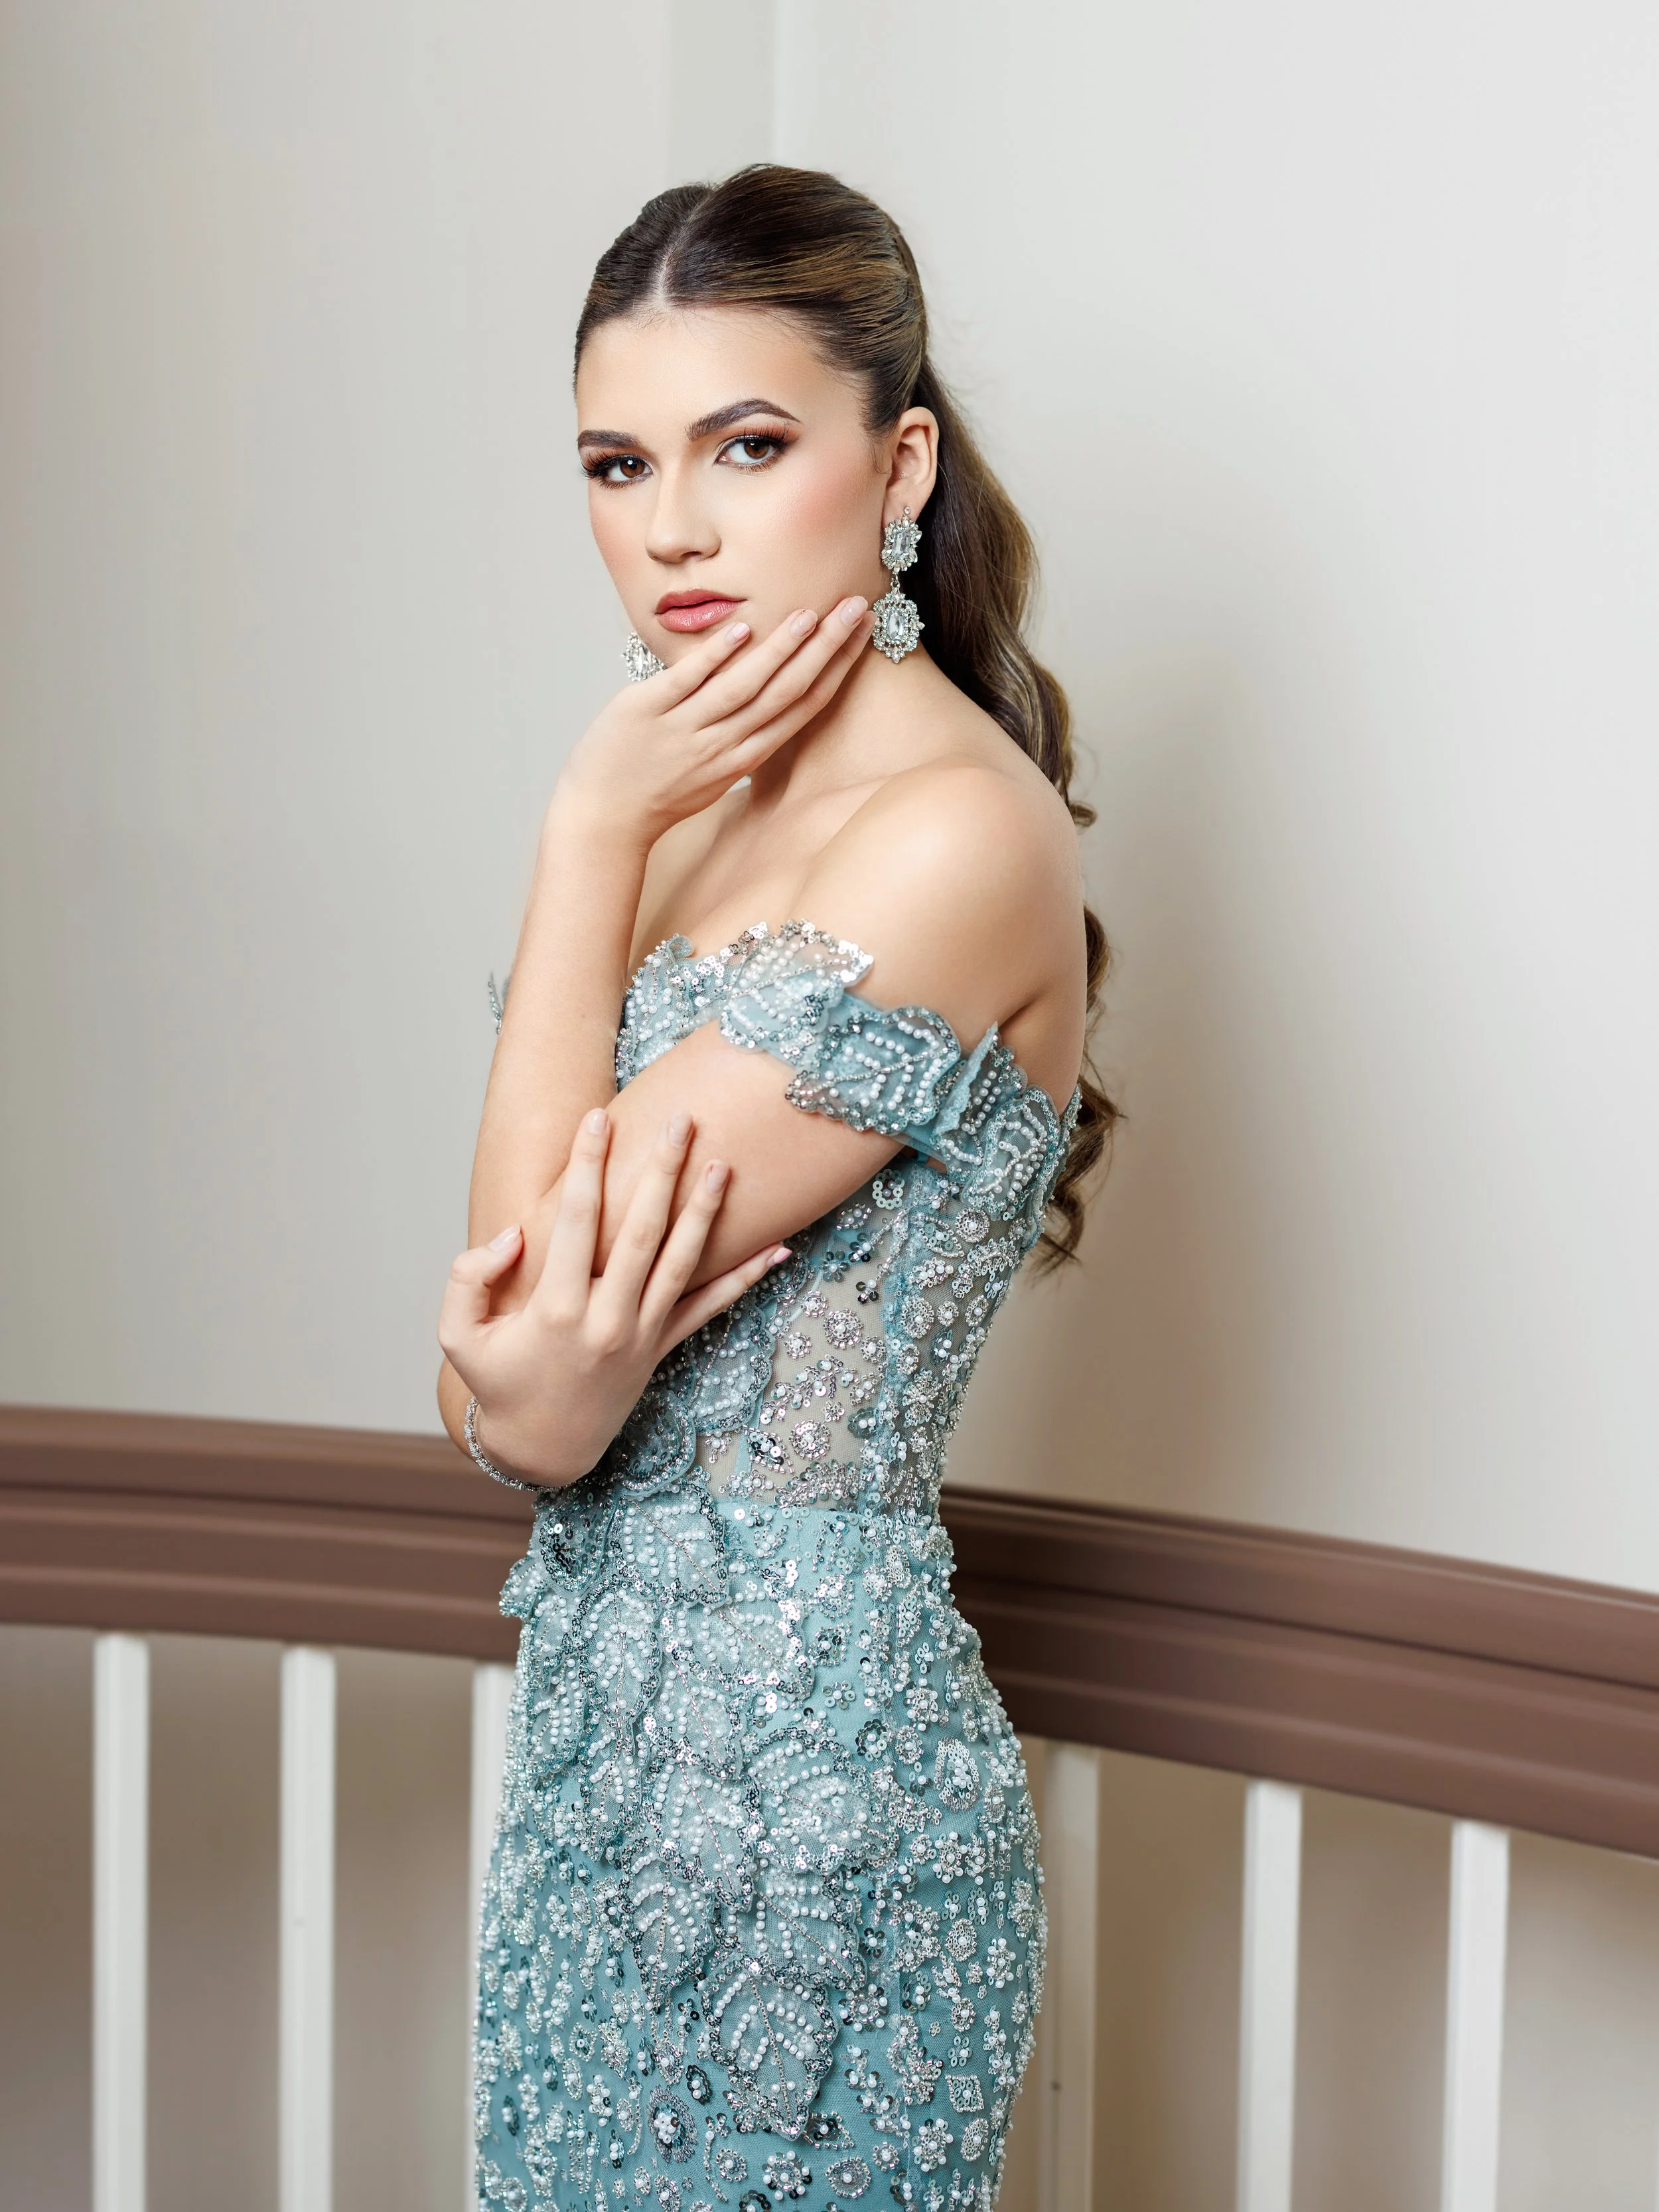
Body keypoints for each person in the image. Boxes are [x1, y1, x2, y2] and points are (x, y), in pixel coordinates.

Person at [437, 165, 1113, 2212]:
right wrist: (605, 832)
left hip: (819, 1827)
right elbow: (486, 1385)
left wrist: (580, 828)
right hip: (592, 1792)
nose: (671, 528)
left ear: (895, 463)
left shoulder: (957, 838)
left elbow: (540, 1392)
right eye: (617, 462)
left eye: (748, 445)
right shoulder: (669, 816)